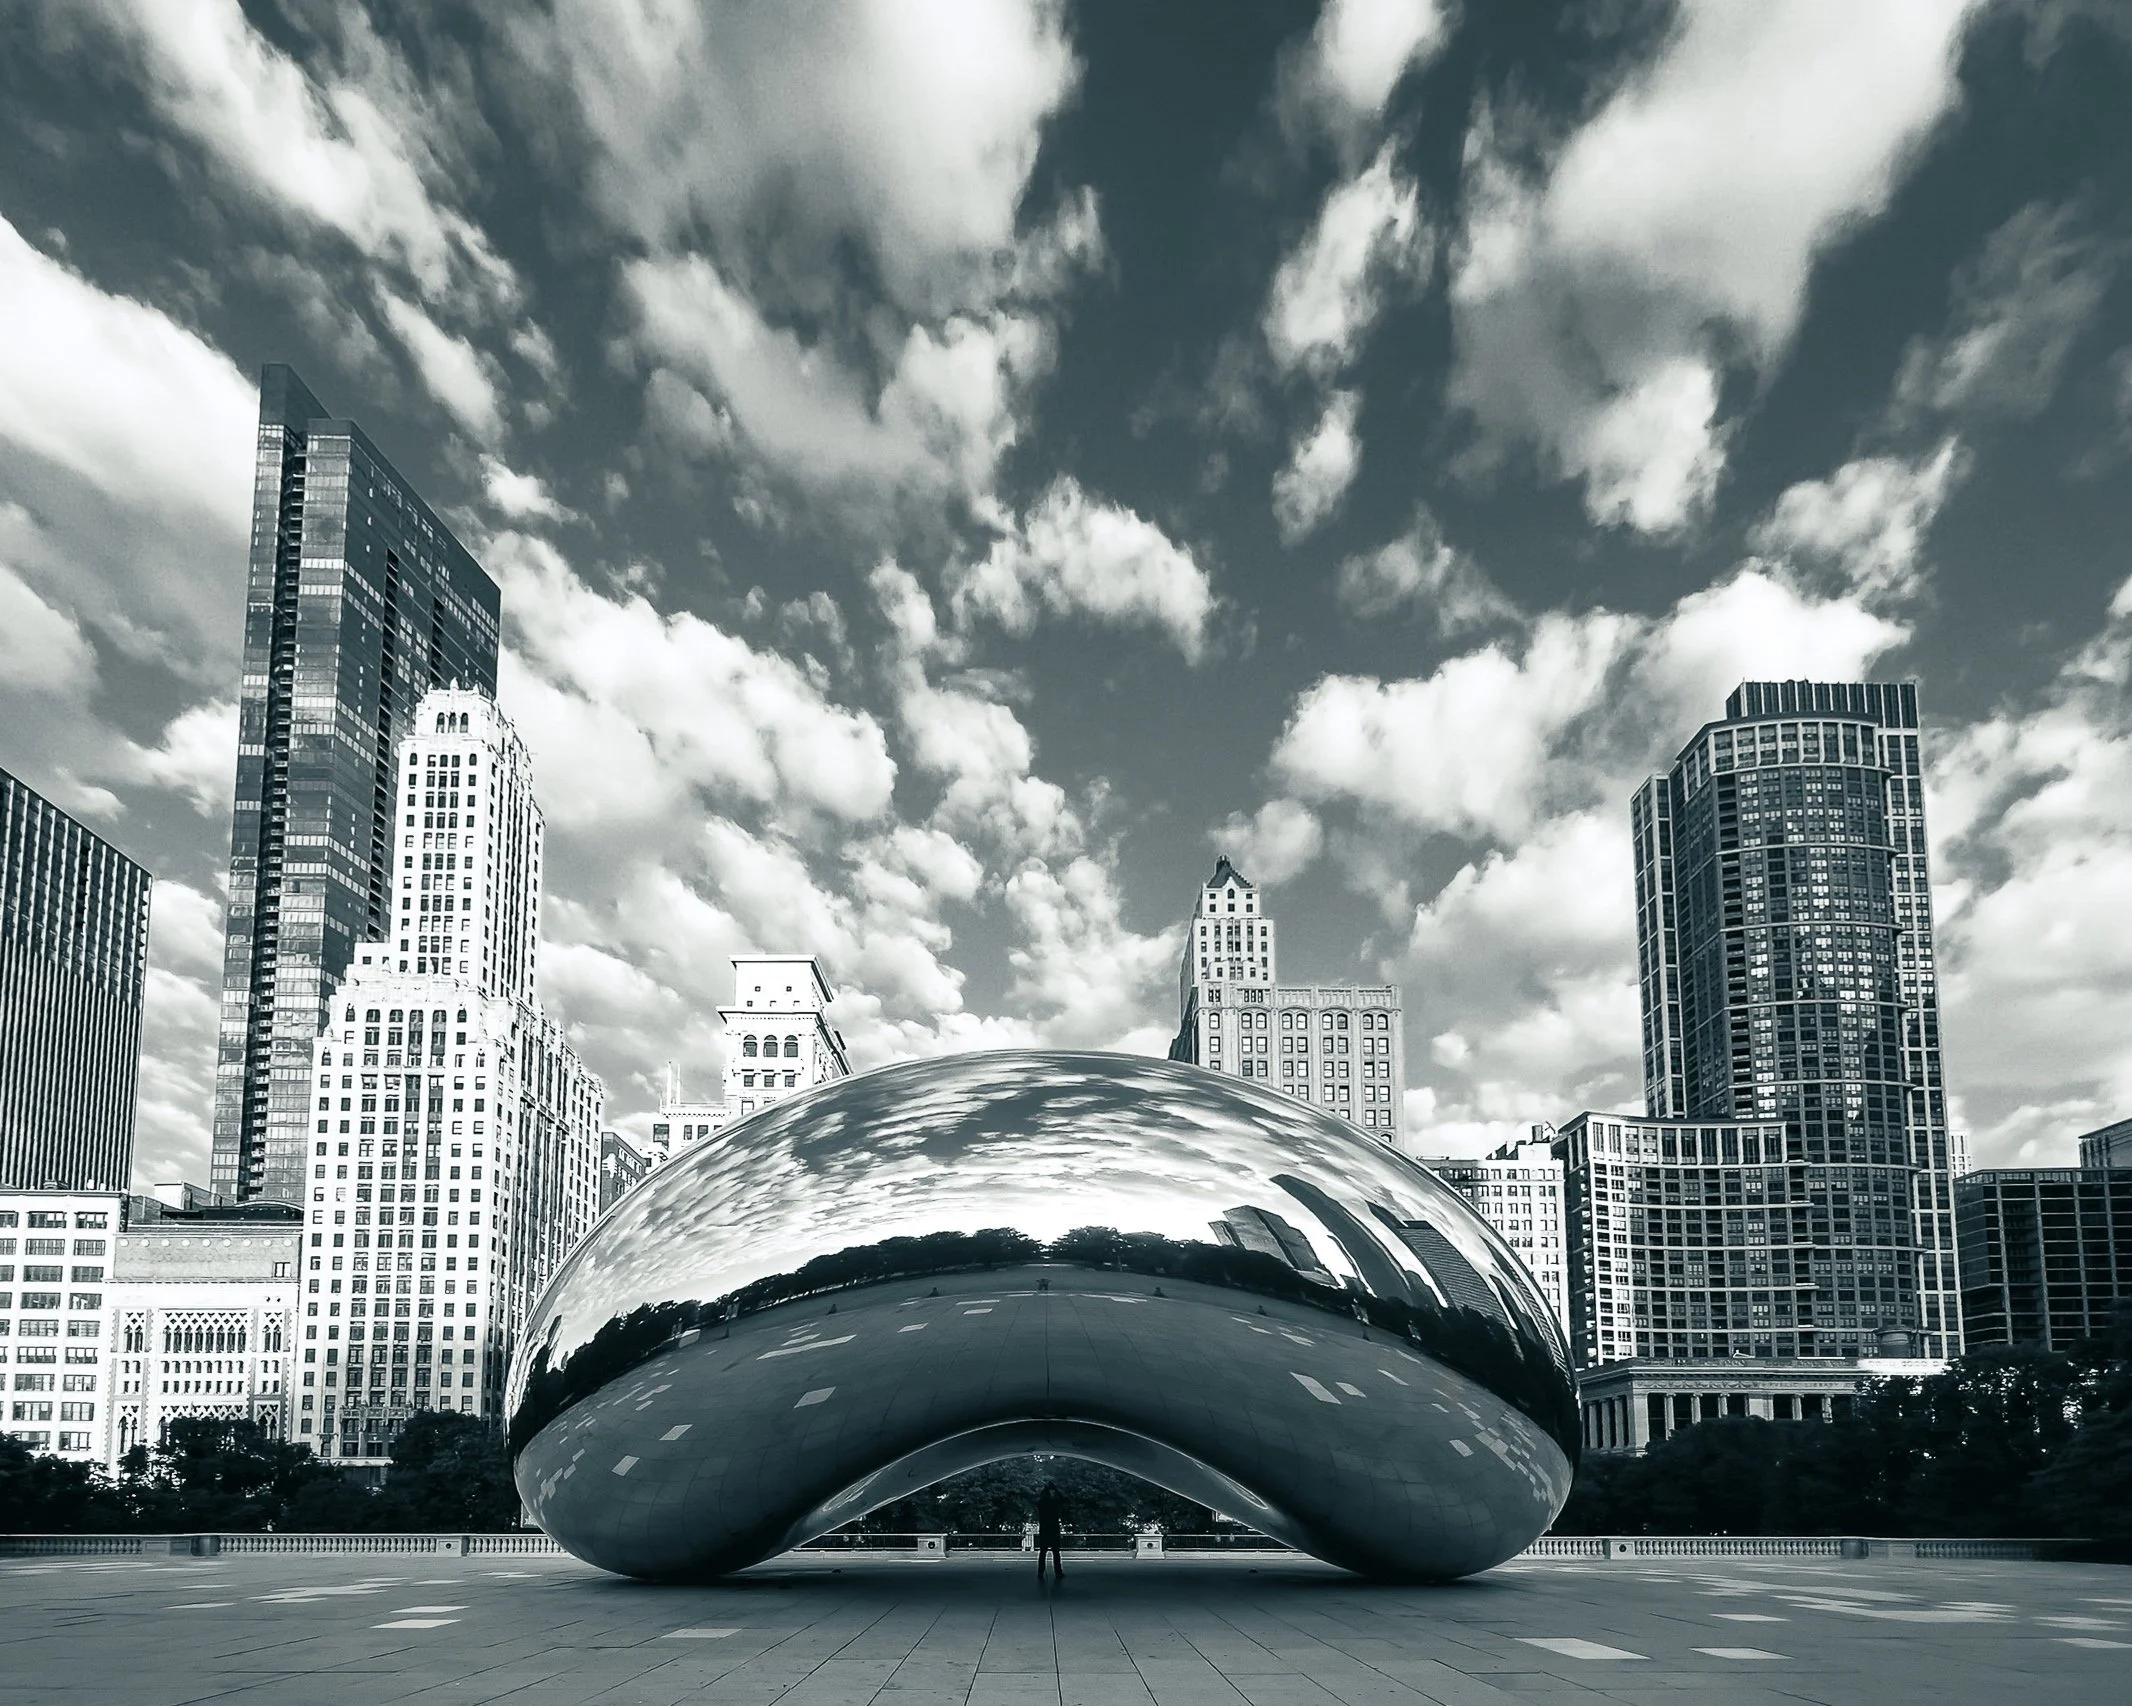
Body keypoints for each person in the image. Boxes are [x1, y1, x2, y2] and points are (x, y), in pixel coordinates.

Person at [1035, 1479, 1065, 1584]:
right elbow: (1062, 1499)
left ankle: (1040, 1572)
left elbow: (1038, 1500)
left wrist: (1046, 1489)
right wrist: (1055, 1489)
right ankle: (1058, 1572)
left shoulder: (1041, 1504)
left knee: (1043, 1552)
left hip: (1044, 1530)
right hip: (1054, 1530)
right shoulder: (1054, 1504)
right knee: (1056, 1553)